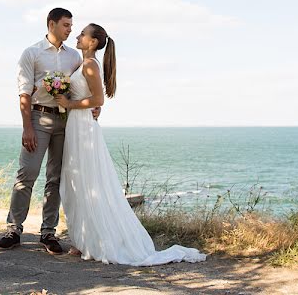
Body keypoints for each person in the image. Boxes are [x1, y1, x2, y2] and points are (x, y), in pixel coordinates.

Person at [54, 23, 207, 265]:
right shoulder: (83, 64)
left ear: (93, 42)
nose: (78, 35)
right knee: (77, 183)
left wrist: (68, 103)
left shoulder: (91, 65)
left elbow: (98, 99)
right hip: (77, 125)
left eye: (82, 34)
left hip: (83, 126)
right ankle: (83, 239)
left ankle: (96, 240)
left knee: (87, 180)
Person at [0, 7, 86, 254]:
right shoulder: (32, 53)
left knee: (55, 178)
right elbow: (24, 93)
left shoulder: (74, 57)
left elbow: (82, 87)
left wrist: (93, 107)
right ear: (51, 24)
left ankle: (48, 233)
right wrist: (27, 127)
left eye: (71, 25)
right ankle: (13, 230)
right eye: (66, 24)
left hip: (65, 121)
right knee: (27, 175)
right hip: (38, 117)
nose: (70, 29)